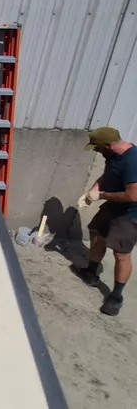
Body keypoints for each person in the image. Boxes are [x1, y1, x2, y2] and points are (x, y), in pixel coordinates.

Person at [75, 127, 137, 316]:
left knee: (121, 254)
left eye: (98, 148)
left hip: (130, 213)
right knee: (96, 233)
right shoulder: (112, 156)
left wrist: (100, 195)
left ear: (108, 145)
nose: (96, 151)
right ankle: (91, 271)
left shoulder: (133, 161)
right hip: (112, 206)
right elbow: (107, 176)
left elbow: (133, 195)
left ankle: (116, 296)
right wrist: (91, 192)